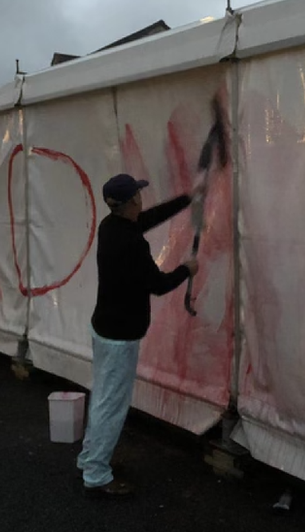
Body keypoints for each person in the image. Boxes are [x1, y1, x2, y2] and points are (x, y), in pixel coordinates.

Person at [76, 173, 201, 497]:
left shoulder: (111, 226)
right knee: (111, 405)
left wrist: (186, 199)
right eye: (139, 195)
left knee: (102, 396)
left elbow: (144, 220)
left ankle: (90, 458)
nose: (142, 200)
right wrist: (187, 269)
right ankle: (96, 475)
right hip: (120, 336)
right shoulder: (131, 242)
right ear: (132, 200)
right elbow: (157, 285)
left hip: (104, 328)